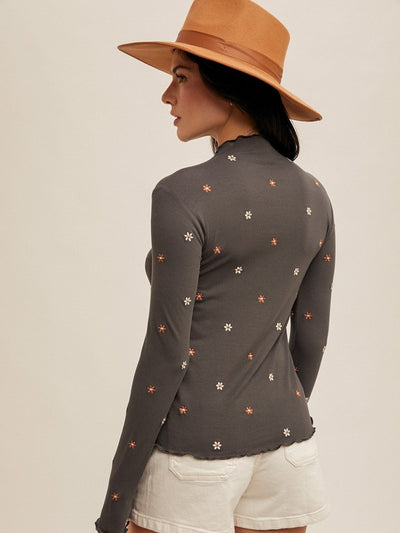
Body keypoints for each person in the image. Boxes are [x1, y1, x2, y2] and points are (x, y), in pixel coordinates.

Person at [95, 1, 336, 533]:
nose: (167, 95)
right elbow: (313, 339)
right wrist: (273, 415)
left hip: (193, 460)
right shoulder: (315, 195)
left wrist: (115, 503)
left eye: (181, 77)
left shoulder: (181, 195)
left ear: (230, 88)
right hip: (290, 452)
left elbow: (165, 355)